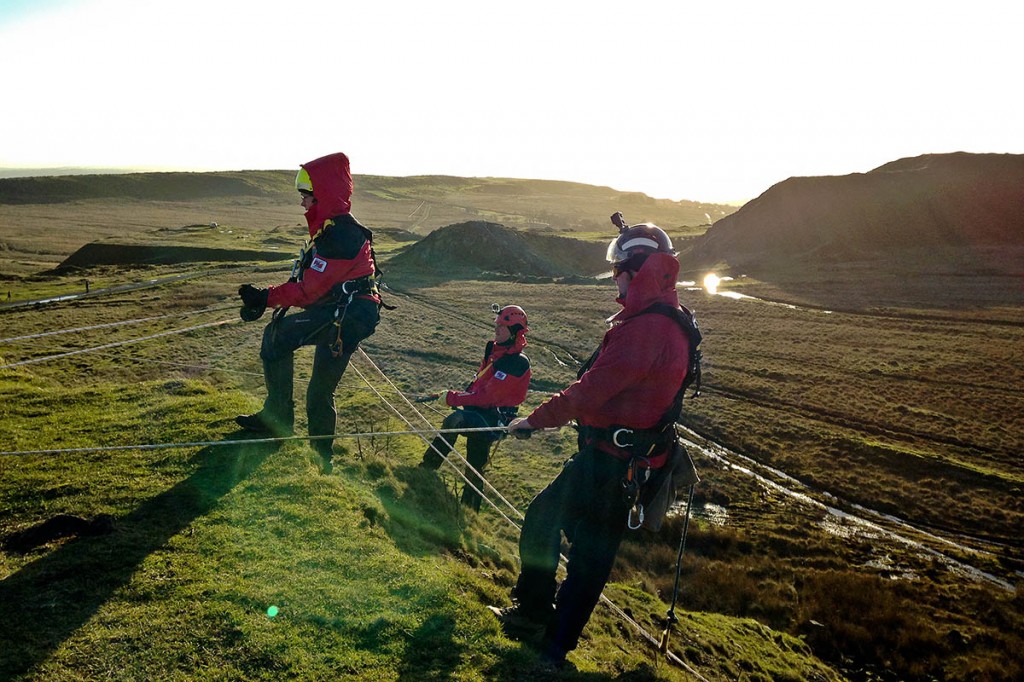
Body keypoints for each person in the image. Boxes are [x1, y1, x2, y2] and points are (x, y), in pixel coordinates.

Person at [492, 218, 692, 668]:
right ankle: (547, 633)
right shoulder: (663, 320)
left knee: (567, 538)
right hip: (619, 460)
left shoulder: (648, 329)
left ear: (636, 270)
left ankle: (545, 635)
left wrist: (535, 421)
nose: (616, 280)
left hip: (613, 463)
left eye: (620, 270)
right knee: (583, 549)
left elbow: (591, 390)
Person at [236, 152, 381, 474]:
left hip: (345, 317)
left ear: (323, 195)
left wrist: (263, 297)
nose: (302, 204)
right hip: (347, 314)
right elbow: (312, 281)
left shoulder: (340, 236)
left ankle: (277, 423)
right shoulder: (333, 230)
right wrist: (267, 299)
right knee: (320, 389)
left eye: (306, 197)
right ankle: (321, 455)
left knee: (277, 336)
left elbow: (309, 291)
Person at [419, 305, 531, 511]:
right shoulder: (493, 350)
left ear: (515, 331)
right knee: (475, 461)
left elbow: (488, 397)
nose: (496, 329)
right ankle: (468, 509)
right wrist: (457, 396)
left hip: (494, 419)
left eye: (502, 326)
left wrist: (452, 398)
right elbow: (480, 385)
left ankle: (427, 470)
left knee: (457, 424)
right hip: (481, 411)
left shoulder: (517, 362)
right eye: (497, 325)